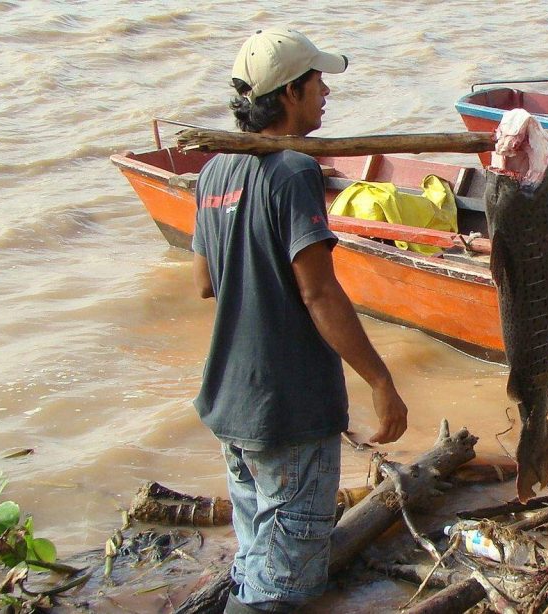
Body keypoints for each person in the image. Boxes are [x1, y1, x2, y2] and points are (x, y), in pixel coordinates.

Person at [191, 28, 409, 613]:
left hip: (230, 404)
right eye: (318, 83)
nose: (326, 95)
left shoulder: (214, 173)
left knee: (255, 557)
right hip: (287, 411)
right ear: (289, 92)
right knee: (280, 593)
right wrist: (381, 382)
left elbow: (205, 283)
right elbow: (319, 294)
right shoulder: (291, 172)